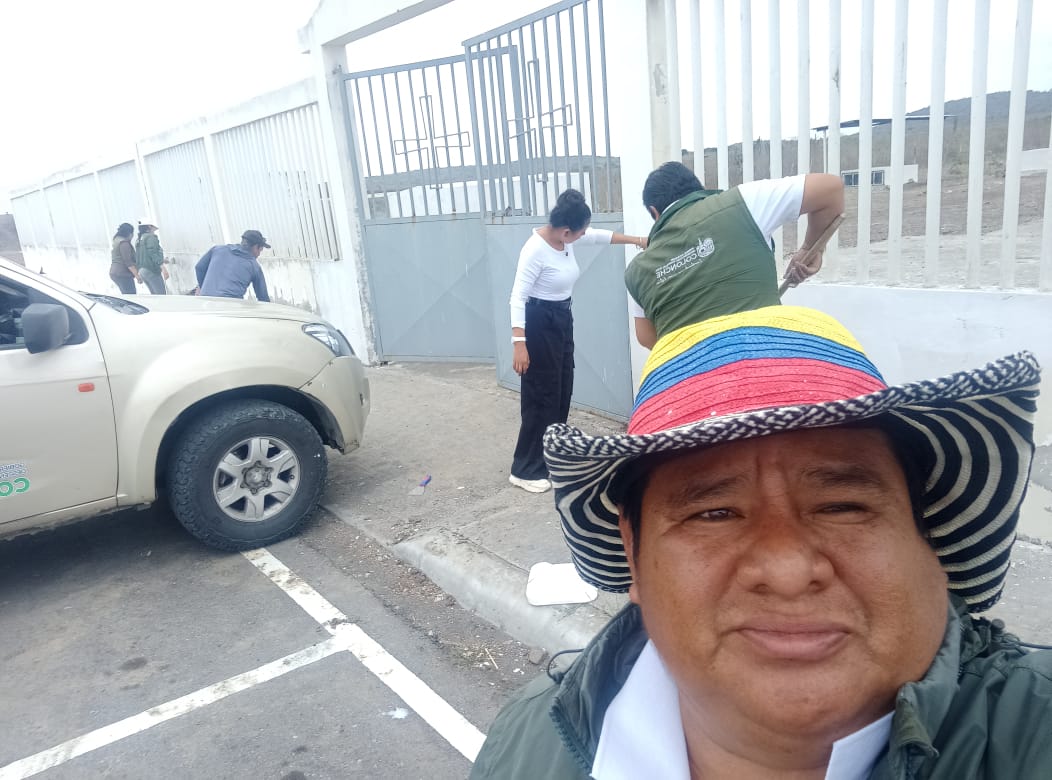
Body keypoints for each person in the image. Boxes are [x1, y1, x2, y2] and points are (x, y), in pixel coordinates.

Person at [472, 305, 1051, 778]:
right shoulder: (528, 750)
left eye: (842, 506)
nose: (788, 570)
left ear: (929, 546)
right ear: (634, 553)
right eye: (714, 513)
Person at [508, 189, 648, 494]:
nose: (584, 235)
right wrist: (519, 343)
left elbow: (598, 237)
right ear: (566, 230)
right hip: (538, 323)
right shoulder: (534, 250)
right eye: (580, 231)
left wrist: (636, 240)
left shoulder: (565, 239)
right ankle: (524, 469)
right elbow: (517, 297)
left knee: (562, 388)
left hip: (561, 319)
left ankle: (550, 455)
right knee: (540, 395)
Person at [626, 162, 844, 348]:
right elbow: (830, 189)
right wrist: (809, 249)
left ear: (655, 212)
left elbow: (647, 338)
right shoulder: (743, 202)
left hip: (691, 376)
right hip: (766, 357)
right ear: (698, 190)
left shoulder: (637, 270)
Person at [195, 229, 272, 301]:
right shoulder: (254, 266)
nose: (259, 254)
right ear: (255, 247)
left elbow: (199, 268)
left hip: (206, 301)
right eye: (260, 250)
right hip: (231, 305)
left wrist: (203, 289)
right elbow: (263, 297)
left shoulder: (217, 250)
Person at [135, 218, 168, 295]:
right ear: (149, 226)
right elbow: (152, 253)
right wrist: (163, 267)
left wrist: (162, 260)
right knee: (161, 296)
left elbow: (145, 255)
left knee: (154, 295)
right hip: (151, 270)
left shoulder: (139, 239)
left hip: (142, 271)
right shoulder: (151, 237)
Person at [109, 222, 141, 294]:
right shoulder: (124, 243)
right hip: (122, 273)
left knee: (126, 294)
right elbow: (128, 262)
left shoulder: (116, 240)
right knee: (131, 295)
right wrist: (137, 275)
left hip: (115, 272)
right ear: (129, 233)